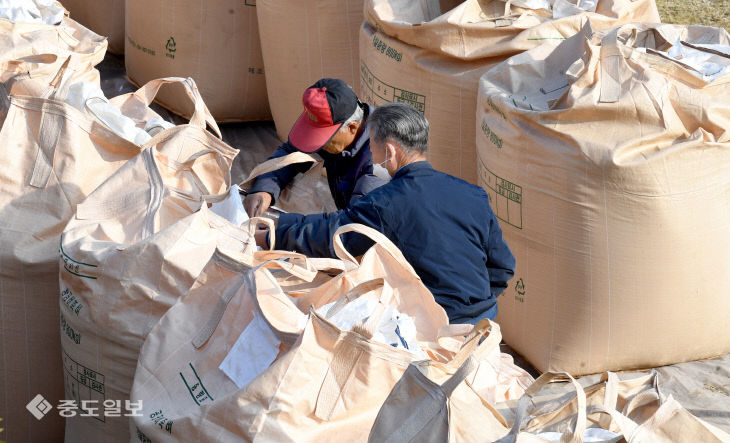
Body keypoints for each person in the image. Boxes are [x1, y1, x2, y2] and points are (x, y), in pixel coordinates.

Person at [256, 102, 516, 324]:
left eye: (373, 147)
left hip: (433, 322)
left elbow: (333, 233)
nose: (372, 155)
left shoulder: (386, 202)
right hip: (483, 318)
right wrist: (475, 306)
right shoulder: (473, 194)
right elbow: (503, 266)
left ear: (390, 151)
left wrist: (273, 233)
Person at [244, 78, 386, 217]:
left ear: (352, 127)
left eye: (324, 140)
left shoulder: (378, 165)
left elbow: (356, 226)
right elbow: (290, 153)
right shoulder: (345, 132)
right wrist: (264, 189)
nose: (319, 146)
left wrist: (283, 229)